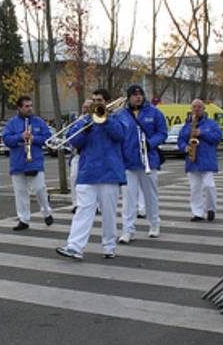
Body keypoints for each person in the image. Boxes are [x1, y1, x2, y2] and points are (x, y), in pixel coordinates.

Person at [56, 89, 127, 260]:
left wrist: (105, 119)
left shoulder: (118, 117)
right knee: (83, 210)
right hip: (88, 171)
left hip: (109, 172)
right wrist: (87, 128)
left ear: (108, 101)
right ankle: (74, 247)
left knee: (108, 213)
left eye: (100, 100)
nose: (96, 102)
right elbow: (74, 142)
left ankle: (109, 246)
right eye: (94, 99)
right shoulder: (84, 121)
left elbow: (120, 135)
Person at [117, 84, 167, 243]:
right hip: (128, 161)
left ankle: (154, 224)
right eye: (134, 95)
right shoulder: (121, 114)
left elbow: (162, 133)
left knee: (150, 195)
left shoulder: (154, 112)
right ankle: (127, 230)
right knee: (128, 198)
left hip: (148, 160)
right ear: (129, 97)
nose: (138, 97)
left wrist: (150, 143)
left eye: (140, 94)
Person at [3, 95, 54, 230]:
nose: (29, 108)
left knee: (39, 189)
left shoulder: (38, 121)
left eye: (30, 106)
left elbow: (47, 137)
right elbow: (6, 139)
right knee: (20, 193)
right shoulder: (12, 123)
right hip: (18, 162)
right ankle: (23, 219)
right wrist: (20, 136)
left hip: (34, 161)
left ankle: (47, 211)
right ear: (19, 108)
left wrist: (34, 138)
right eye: (26, 106)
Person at [178, 99, 223, 222]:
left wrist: (201, 133)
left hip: (207, 160)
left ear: (203, 109)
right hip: (192, 161)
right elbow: (180, 140)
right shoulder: (187, 125)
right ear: (191, 109)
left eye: (199, 107)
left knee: (209, 186)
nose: (196, 109)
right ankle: (197, 213)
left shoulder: (211, 124)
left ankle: (211, 209)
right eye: (194, 107)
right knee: (195, 189)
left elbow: (218, 137)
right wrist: (185, 147)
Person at [70, 98, 92, 214]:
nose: (86, 109)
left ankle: (96, 206)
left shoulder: (95, 120)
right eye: (85, 107)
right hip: (77, 154)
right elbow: (69, 135)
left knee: (91, 181)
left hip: (89, 154)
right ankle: (75, 204)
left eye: (89, 107)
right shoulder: (77, 120)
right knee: (74, 178)